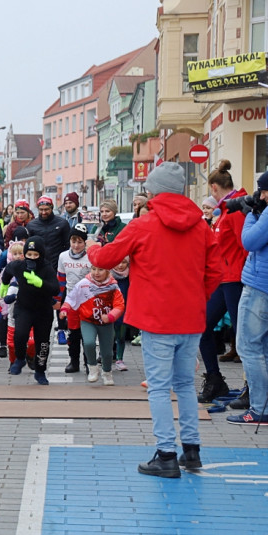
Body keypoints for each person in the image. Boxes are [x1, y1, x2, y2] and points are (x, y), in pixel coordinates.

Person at [87, 162, 222, 478]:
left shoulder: (143, 225)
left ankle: (166, 454)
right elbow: (215, 271)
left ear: (154, 191)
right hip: (190, 318)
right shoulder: (201, 226)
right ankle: (192, 450)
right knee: (186, 384)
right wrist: (195, 298)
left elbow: (106, 259)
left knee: (159, 388)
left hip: (156, 319)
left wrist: (94, 248)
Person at [196, 160, 248, 403]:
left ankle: (253, 387)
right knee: (203, 325)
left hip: (236, 278)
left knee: (244, 335)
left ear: (215, 188)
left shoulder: (236, 210)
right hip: (223, 277)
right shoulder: (227, 209)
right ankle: (215, 380)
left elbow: (245, 245)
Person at [228, 171, 268, 424]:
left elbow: (249, 241)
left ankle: (259, 408)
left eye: (264, 191)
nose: (262, 196)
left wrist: (250, 215)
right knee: (263, 349)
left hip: (259, 286)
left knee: (249, 348)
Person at [1, 237, 60, 386]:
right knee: (20, 335)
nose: (32, 258)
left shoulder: (47, 268)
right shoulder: (19, 266)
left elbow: (55, 288)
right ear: (25, 254)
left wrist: (40, 283)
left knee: (42, 343)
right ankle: (20, 359)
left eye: (36, 255)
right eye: (29, 254)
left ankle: (40, 371)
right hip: (24, 307)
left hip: (43, 311)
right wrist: (4, 283)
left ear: (41, 255)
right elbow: (8, 270)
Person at [57, 224, 92, 374]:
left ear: (85, 242)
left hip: (88, 301)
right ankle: (74, 362)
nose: (76, 245)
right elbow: (60, 280)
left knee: (87, 335)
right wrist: (58, 300)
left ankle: (88, 362)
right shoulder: (63, 256)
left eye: (80, 242)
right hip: (72, 301)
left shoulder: (90, 257)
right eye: (73, 241)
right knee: (73, 333)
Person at [26, 195, 70, 270]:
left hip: (57, 263)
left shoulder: (62, 223)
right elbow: (28, 246)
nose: (43, 212)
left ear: (51, 208)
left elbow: (68, 244)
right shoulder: (31, 225)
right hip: (38, 264)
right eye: (41, 210)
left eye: (46, 209)